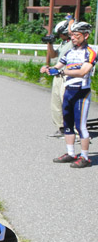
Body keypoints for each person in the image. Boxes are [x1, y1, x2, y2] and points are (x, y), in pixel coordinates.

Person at [41, 21, 96, 169]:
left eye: (76, 35)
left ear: (85, 35)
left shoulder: (90, 53)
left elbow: (83, 71)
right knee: (67, 123)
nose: (73, 38)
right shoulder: (69, 52)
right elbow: (58, 66)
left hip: (81, 92)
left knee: (81, 125)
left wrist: (62, 72)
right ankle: (71, 153)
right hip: (69, 90)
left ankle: (85, 157)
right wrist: (47, 68)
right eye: (71, 35)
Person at [45, 17, 73, 137]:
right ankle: (61, 128)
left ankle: (72, 130)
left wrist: (70, 19)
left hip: (67, 75)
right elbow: (53, 55)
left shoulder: (73, 42)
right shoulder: (63, 43)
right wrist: (50, 44)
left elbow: (72, 29)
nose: (59, 35)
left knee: (66, 103)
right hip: (57, 75)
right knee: (56, 103)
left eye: (61, 33)